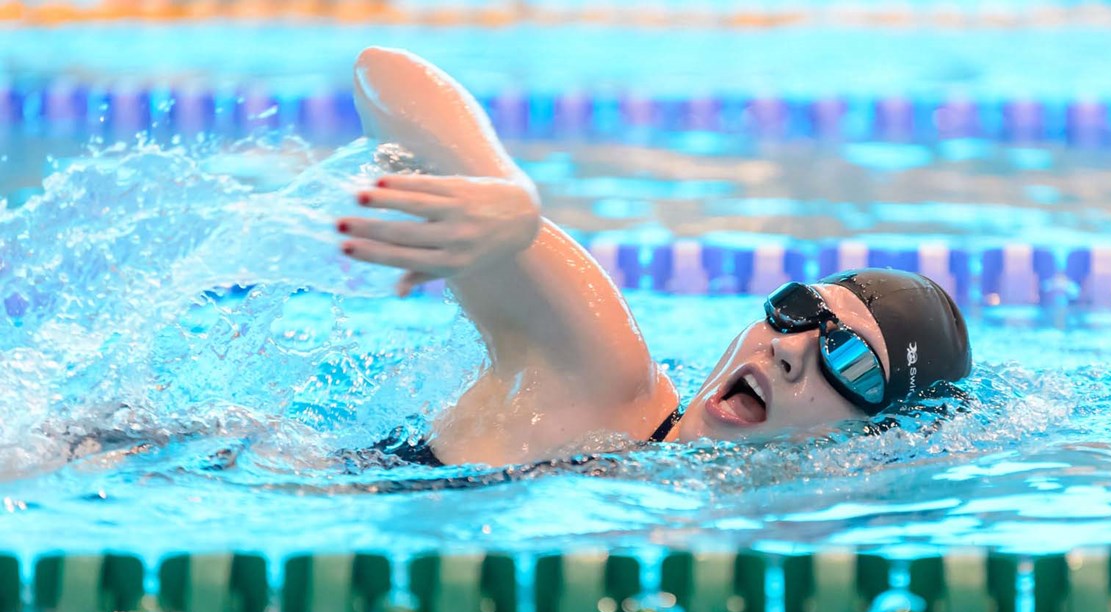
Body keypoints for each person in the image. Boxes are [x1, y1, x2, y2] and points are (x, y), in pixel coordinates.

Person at [337, 47, 971, 469]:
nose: (789, 346)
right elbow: (382, 73)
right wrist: (504, 194)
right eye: (797, 310)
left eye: (850, 362)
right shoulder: (599, 378)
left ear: (876, 441)